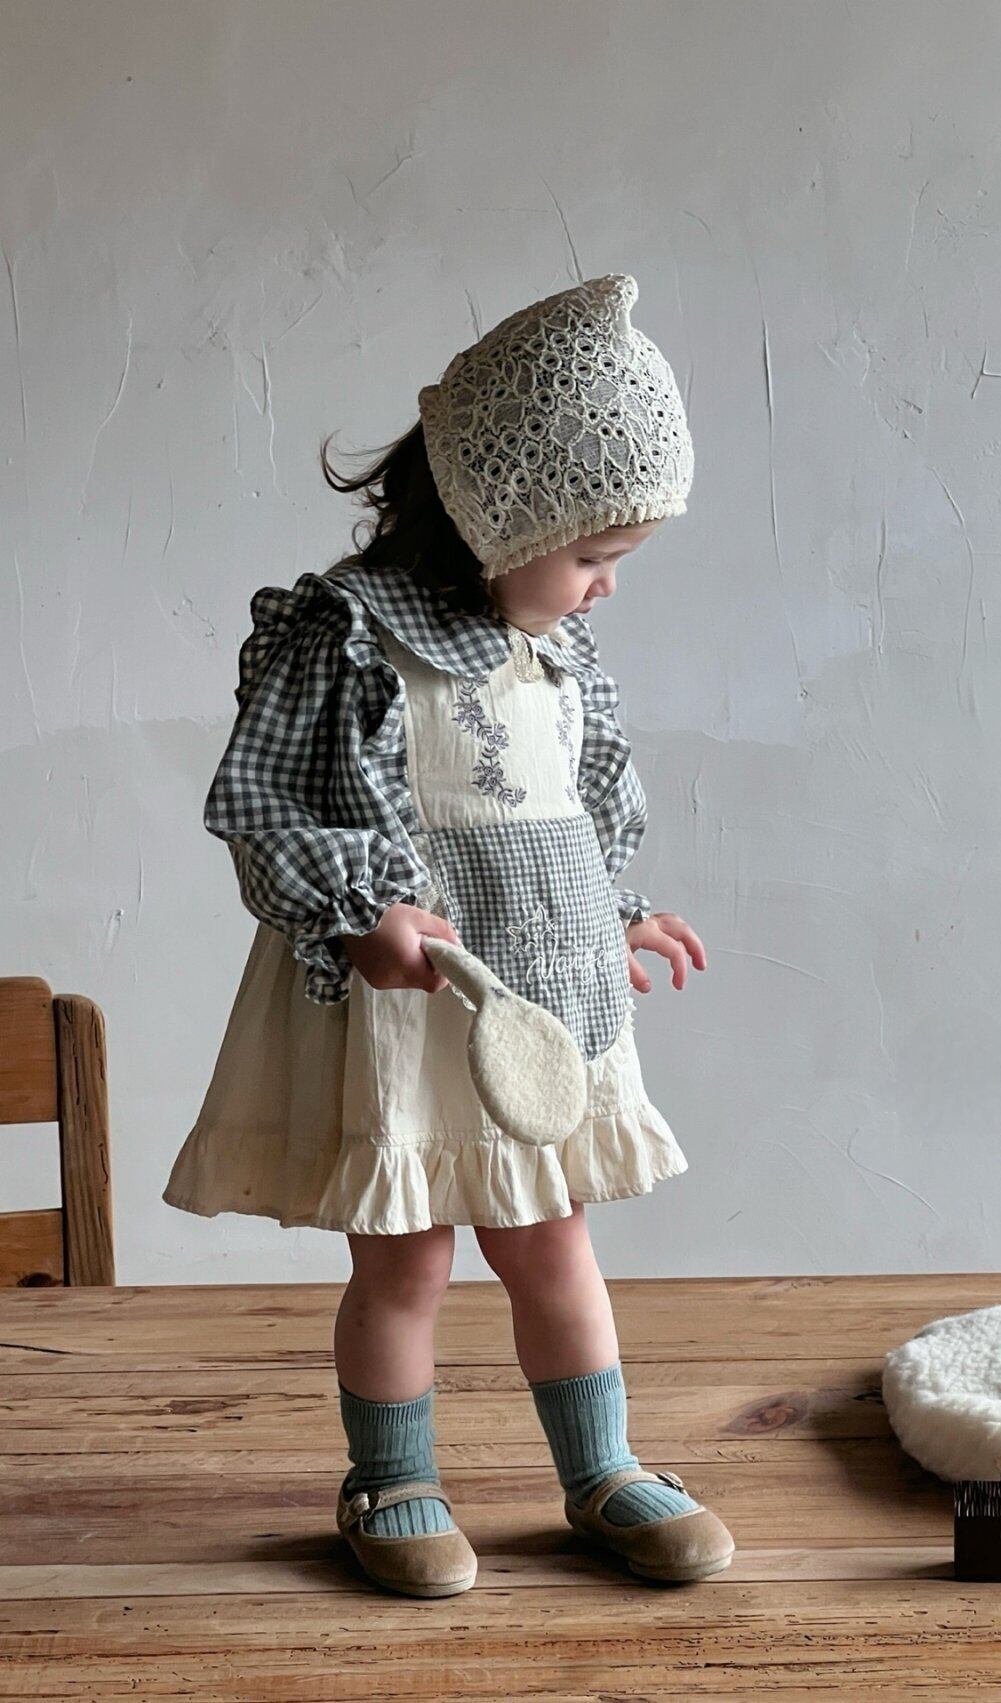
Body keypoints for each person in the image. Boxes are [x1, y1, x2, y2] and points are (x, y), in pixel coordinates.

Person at [163, 274, 735, 1596]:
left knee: (553, 1241)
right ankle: (390, 1479)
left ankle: (601, 1470)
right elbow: (261, 807)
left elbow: (572, 810)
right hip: (407, 1017)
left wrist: (617, 909)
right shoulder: (350, 637)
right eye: (593, 556)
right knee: (407, 1257)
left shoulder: (557, 651)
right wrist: (358, 910)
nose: (604, 589)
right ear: (499, 516)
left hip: (537, 1004)